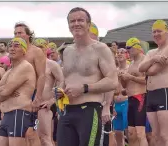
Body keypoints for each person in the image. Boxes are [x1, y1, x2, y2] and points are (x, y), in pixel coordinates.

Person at [56, 7, 118, 146]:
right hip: (67, 111)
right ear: (68, 26)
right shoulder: (67, 51)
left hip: (89, 110)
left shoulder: (100, 49)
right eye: (72, 21)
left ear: (88, 24)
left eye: (80, 20)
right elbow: (67, 79)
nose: (76, 24)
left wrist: (84, 88)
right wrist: (60, 90)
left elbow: (112, 81)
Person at [138, 20, 168, 146]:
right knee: (155, 134)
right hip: (151, 93)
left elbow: (153, 71)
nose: (156, 34)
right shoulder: (151, 53)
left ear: (167, 32)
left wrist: (148, 65)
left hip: (164, 92)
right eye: (154, 32)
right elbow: (140, 68)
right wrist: (154, 59)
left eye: (159, 31)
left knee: (166, 134)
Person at [0, 38, 36, 146]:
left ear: (24, 51)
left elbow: (4, 94)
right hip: (6, 115)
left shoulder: (25, 66)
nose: (12, 48)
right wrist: (4, 91)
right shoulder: (9, 71)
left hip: (18, 113)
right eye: (10, 46)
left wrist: (3, 92)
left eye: (16, 46)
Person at [13, 22, 46, 146]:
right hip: (16, 97)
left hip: (31, 96)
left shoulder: (36, 51)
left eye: (20, 33)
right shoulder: (15, 51)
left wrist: (38, 98)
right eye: (15, 33)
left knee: (30, 132)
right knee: (19, 133)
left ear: (28, 35)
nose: (17, 35)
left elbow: (42, 75)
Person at [33, 38, 64, 146]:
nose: (39, 49)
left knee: (45, 138)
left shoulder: (52, 64)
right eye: (36, 47)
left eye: (41, 47)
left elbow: (62, 81)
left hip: (45, 105)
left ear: (46, 48)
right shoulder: (29, 64)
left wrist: (53, 100)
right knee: (31, 138)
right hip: (30, 105)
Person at [118, 37, 149, 146]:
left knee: (140, 133)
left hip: (141, 98)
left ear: (137, 47)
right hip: (130, 100)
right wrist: (122, 78)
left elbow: (147, 81)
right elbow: (125, 86)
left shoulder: (144, 60)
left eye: (129, 48)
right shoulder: (131, 63)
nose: (127, 51)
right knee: (131, 134)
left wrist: (130, 77)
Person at [113, 48, 129, 146]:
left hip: (126, 102)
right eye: (117, 53)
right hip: (116, 103)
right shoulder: (114, 70)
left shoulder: (130, 68)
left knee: (129, 132)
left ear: (127, 54)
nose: (119, 54)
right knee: (118, 133)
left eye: (122, 52)